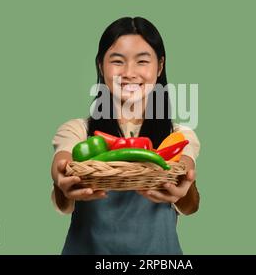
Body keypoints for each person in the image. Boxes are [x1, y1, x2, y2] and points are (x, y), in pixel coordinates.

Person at [50, 17, 200, 254]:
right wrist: (61, 181)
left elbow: (190, 204)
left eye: (142, 61)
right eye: (117, 61)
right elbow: (62, 177)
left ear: (159, 67)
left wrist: (183, 187)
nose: (129, 73)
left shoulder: (179, 135)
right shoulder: (77, 130)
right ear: (101, 66)